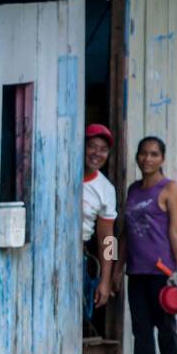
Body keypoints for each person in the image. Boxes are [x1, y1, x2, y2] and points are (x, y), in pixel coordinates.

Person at [110, 136, 177, 354]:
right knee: (141, 329)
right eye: (143, 153)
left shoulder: (171, 189)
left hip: (163, 273)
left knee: (165, 328)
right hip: (137, 272)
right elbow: (124, 235)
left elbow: (176, 231)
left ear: (162, 159)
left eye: (154, 154)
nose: (148, 159)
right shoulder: (133, 190)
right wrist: (117, 269)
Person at [82, 124, 119, 314]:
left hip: (78, 257)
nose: (97, 153)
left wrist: (105, 280)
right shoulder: (58, 172)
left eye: (103, 149)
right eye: (92, 146)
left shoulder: (105, 189)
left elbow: (109, 239)